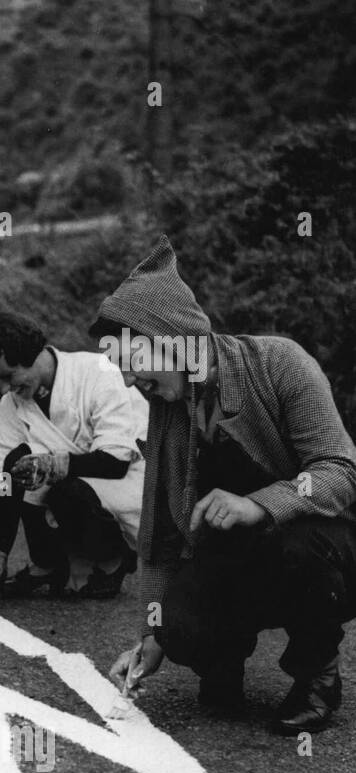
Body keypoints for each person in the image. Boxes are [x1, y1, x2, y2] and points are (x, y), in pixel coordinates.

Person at [100, 235, 356, 734]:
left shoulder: (281, 363)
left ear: (176, 339)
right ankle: (224, 657)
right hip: (246, 557)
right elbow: (162, 536)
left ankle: (317, 675)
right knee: (181, 627)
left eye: (133, 362)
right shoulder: (169, 410)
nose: (130, 381)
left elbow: (341, 471)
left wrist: (259, 505)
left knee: (297, 547)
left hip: (332, 547)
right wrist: (156, 635)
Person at [0, 311, 148, 599]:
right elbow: (5, 480)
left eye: (8, 376)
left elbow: (116, 463)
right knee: (18, 468)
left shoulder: (98, 372)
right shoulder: (9, 408)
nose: (4, 389)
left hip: (133, 482)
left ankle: (112, 561)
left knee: (64, 490)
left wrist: (56, 465)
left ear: (31, 355)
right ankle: (48, 565)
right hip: (80, 486)